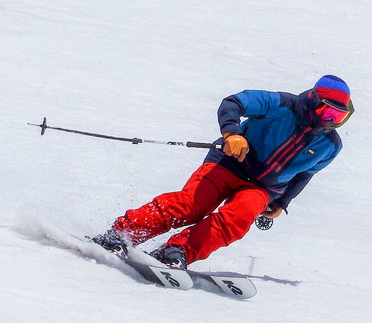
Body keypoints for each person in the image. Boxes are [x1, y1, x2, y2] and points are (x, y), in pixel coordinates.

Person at [91, 75, 353, 268]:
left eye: (339, 117)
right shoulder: (281, 104)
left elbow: (305, 174)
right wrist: (232, 133)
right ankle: (122, 234)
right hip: (229, 162)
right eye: (328, 111)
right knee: (192, 205)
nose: (330, 121)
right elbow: (233, 103)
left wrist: (282, 202)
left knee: (236, 220)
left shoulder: (330, 145)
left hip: (261, 188)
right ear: (313, 100)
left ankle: (175, 252)